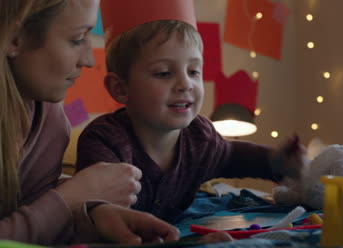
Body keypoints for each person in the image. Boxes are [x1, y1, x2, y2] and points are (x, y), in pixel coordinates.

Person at [0, 0, 180, 245]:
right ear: (14, 38)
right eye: (78, 38)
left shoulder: (49, 118)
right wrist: (68, 200)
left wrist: (91, 219)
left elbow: (26, 226)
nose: (90, 60)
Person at [76, 18, 306, 223]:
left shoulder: (200, 137)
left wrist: (279, 161)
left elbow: (233, 156)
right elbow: (95, 211)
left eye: (194, 71)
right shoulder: (104, 140)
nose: (185, 84)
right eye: (164, 73)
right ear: (120, 88)